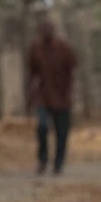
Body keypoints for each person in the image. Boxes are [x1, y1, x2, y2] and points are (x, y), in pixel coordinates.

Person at [27, 18, 78, 175]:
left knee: (62, 132)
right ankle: (42, 160)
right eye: (43, 30)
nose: (46, 33)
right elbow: (32, 72)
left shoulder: (63, 48)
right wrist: (30, 94)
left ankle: (58, 163)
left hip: (62, 96)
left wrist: (69, 90)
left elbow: (73, 68)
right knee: (42, 126)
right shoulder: (35, 48)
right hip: (44, 95)